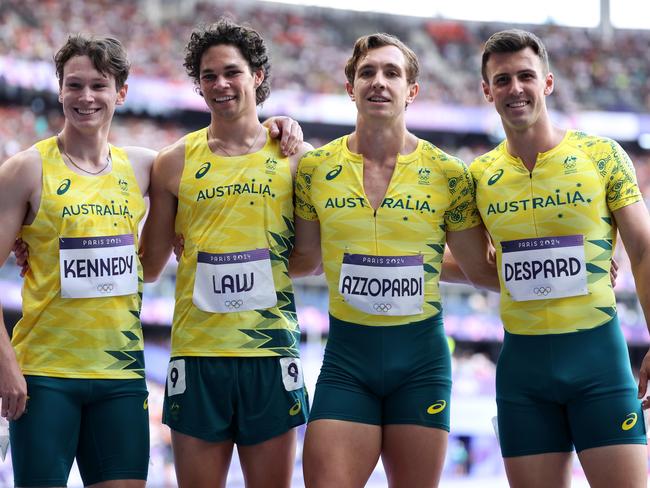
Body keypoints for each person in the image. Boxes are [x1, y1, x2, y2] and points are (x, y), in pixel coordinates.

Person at [291, 33, 498, 488]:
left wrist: (582, 265)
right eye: (367, 72)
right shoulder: (315, 169)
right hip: (346, 363)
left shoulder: (449, 173)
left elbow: (479, 269)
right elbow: (303, 259)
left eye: (391, 73)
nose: (378, 82)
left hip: (421, 365)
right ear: (351, 87)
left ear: (412, 90)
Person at [139, 19, 312, 488]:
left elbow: (310, 260)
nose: (220, 84)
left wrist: (252, 262)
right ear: (197, 84)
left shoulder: (295, 155)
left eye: (231, 72)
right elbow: (150, 265)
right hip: (198, 354)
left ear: (257, 75)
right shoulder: (173, 161)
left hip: (270, 351)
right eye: (208, 75)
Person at [473, 29, 649, 488]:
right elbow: (469, 263)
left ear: (547, 82)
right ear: (487, 90)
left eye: (526, 76)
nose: (515, 88)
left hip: (600, 362)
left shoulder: (603, 155)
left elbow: (644, 248)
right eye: (503, 79)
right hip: (522, 373)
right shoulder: (477, 176)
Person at [0, 35, 156, 487]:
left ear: (120, 92)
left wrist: (281, 126)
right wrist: (6, 362)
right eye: (74, 85)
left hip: (122, 375)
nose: (86, 97)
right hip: (46, 376)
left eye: (99, 86)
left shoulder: (145, 167)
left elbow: (226, 152)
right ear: (60, 90)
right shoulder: (27, 169)